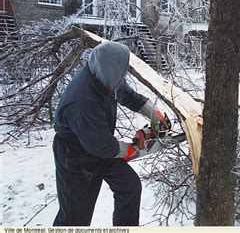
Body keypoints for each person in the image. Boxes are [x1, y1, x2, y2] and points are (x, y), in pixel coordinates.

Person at [52, 41, 167, 226]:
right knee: (75, 216)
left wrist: (155, 115)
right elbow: (101, 145)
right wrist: (132, 150)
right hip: (76, 155)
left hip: (100, 143)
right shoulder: (81, 101)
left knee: (129, 187)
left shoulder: (105, 75)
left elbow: (128, 96)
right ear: (109, 73)